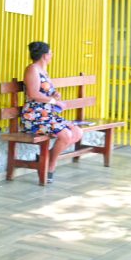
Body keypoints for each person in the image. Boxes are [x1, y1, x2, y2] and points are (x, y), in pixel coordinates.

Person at [21, 41, 84, 183]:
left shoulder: (43, 70)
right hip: (34, 117)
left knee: (78, 132)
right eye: (51, 53)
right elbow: (33, 94)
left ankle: (46, 158)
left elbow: (44, 91)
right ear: (45, 55)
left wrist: (54, 94)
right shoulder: (32, 69)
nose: (52, 55)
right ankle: (50, 166)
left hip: (47, 115)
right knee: (66, 135)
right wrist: (54, 101)